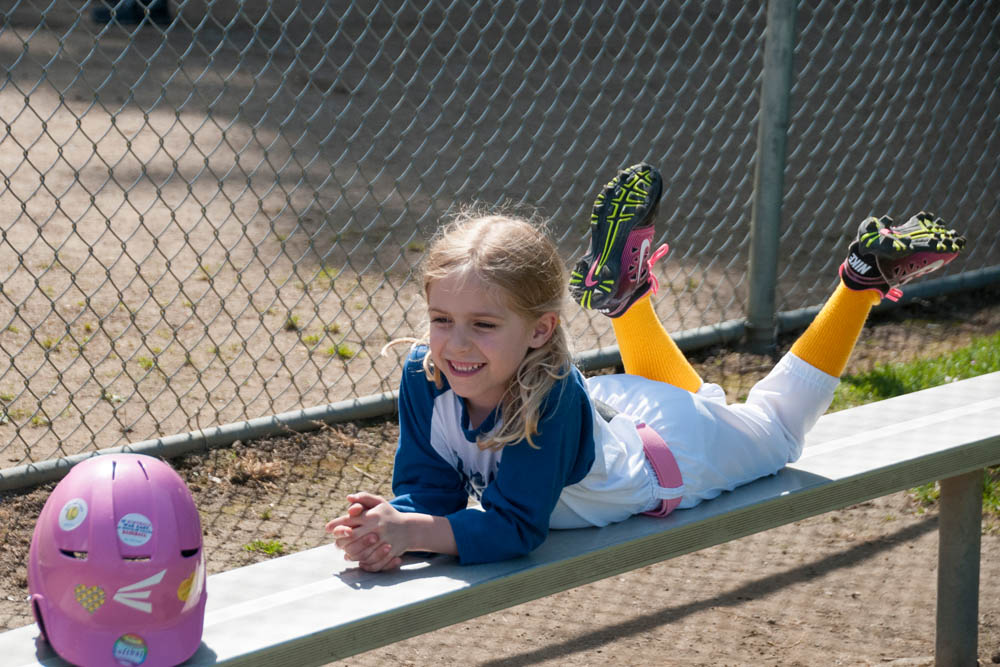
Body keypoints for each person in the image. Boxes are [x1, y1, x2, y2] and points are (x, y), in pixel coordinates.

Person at [325, 163, 965, 571]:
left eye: (484, 325)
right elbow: (430, 490)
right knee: (708, 406)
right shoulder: (426, 374)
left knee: (777, 433)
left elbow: (516, 528)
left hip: (666, 455)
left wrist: (412, 528)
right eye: (441, 320)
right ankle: (628, 303)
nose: (456, 345)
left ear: (541, 329)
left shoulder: (543, 397)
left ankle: (861, 278)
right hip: (623, 411)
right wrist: (392, 532)